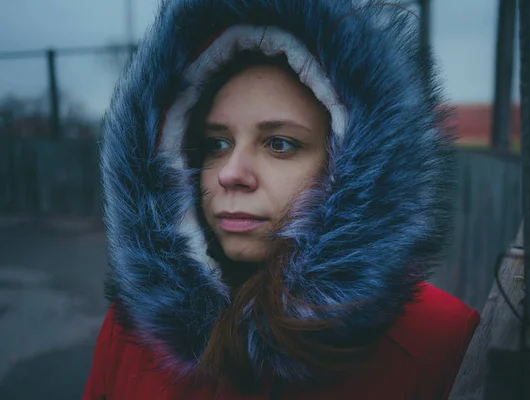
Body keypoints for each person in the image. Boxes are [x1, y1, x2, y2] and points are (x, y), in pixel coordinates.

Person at [83, 1, 480, 399]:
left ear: (354, 168)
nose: (231, 173)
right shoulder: (133, 329)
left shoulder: (442, 342)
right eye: (215, 143)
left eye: (279, 144)